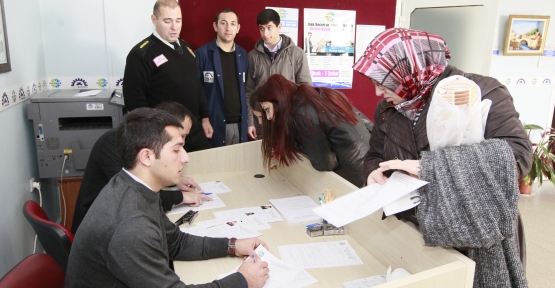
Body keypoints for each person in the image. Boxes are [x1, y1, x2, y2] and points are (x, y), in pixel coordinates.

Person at [353, 28, 532, 287]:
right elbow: (375, 154)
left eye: (384, 83)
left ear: (411, 69)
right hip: (415, 233)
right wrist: (372, 172)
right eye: (375, 84)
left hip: (476, 234)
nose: (379, 93)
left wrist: (431, 168)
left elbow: (517, 159)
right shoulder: (389, 108)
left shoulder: (480, 91)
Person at [65, 107, 269, 288]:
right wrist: (242, 281)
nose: (185, 157)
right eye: (176, 149)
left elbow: (175, 242)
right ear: (146, 157)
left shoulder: (134, 187)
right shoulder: (131, 226)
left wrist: (232, 245)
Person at [71, 102, 211, 234]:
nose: (183, 144)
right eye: (181, 136)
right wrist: (181, 196)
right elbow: (138, 194)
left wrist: (175, 179)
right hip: (101, 230)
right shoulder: (115, 144)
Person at [250, 74, 370, 188]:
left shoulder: (302, 113)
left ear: (278, 100)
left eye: (267, 110)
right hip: (369, 160)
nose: (268, 118)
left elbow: (324, 164)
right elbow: (367, 123)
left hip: (355, 175)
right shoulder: (317, 94)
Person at [123, 0, 212, 152]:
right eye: (167, 21)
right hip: (164, 134)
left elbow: (196, 86)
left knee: (207, 169)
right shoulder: (141, 54)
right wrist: (152, 134)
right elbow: (135, 101)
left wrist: (204, 117)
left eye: (178, 20)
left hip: (193, 129)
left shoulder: (186, 48)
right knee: (174, 175)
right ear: (154, 20)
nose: (174, 27)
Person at [246, 8, 312, 140]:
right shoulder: (252, 56)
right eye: (262, 28)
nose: (265, 33)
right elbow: (248, 91)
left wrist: (297, 118)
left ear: (279, 26)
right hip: (262, 122)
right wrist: (250, 122)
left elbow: (306, 89)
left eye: (269, 27)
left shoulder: (297, 54)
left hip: (288, 121)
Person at [195, 9, 248, 147]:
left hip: (240, 124)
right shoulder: (202, 55)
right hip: (213, 125)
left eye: (232, 24)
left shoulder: (244, 55)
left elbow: (248, 90)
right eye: (223, 23)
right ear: (215, 26)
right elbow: (194, 91)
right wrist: (203, 119)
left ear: (238, 28)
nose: (228, 28)